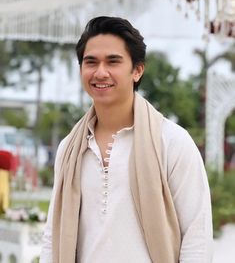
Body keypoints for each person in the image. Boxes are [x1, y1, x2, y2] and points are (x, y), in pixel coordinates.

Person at [40, 16, 213, 263]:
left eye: (113, 61)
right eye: (91, 62)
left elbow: (198, 235)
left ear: (137, 70)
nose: (100, 72)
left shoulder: (172, 142)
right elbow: (51, 237)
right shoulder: (69, 148)